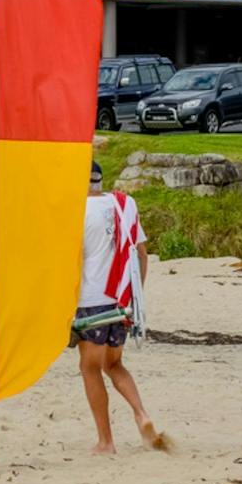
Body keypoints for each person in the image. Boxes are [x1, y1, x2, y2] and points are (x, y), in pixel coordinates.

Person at [75, 162, 164, 454]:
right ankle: (142, 414)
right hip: (122, 300)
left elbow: (72, 262)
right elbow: (141, 255)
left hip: (92, 301)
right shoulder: (125, 204)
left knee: (90, 368)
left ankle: (106, 441)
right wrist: (134, 298)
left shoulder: (76, 212)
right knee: (113, 364)